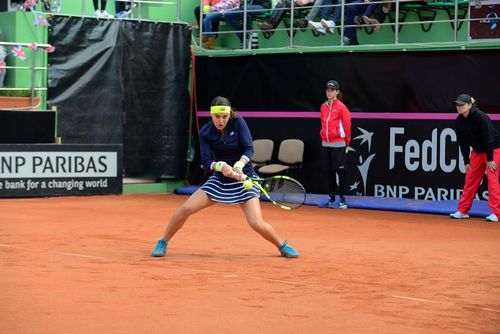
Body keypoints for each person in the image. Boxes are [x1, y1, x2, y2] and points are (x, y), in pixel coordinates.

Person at [151, 96, 299, 258]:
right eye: (217, 117)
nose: (221, 120)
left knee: (256, 223)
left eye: (225, 116)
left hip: (244, 178)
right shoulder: (205, 132)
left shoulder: (239, 122)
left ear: (230, 114)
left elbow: (249, 148)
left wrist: (239, 165)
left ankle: (282, 245)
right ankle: (163, 241)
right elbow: (207, 161)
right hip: (220, 181)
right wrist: (221, 166)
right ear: (211, 115)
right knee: (185, 209)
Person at [449, 94, 500, 222]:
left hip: (493, 150)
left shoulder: (481, 117)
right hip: (477, 152)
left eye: (462, 104)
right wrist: (466, 161)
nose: (459, 107)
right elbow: (463, 143)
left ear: (470, 105)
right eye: (457, 105)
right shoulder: (459, 121)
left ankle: (496, 213)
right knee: (470, 179)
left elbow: (489, 138)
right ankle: (463, 211)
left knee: (492, 179)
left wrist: (490, 159)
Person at [319, 80, 351, 209]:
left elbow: (347, 125)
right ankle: (331, 198)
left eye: (332, 90)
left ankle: (342, 200)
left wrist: (347, 142)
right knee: (329, 172)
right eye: (327, 90)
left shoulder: (342, 107)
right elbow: (323, 123)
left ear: (337, 92)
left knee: (340, 172)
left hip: (338, 144)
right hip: (326, 143)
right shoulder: (323, 106)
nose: (329, 92)